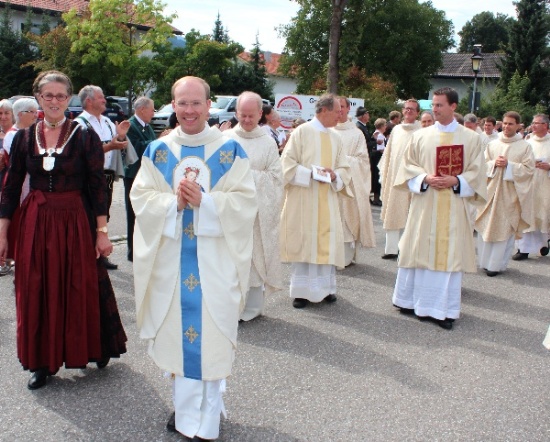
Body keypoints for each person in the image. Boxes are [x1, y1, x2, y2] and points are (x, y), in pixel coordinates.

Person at [130, 76, 257, 440]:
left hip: (215, 266)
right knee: (178, 337)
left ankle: (209, 418)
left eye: (196, 103)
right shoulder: (159, 151)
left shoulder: (230, 151)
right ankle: (188, 417)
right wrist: (174, 204)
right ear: (173, 105)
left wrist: (208, 203)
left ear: (208, 104)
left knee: (212, 339)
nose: (189, 111)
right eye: (182, 103)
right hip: (172, 266)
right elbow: (141, 199)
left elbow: (246, 202)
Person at [0, 70, 127, 390]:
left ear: (69, 99)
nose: (54, 101)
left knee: (78, 284)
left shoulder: (84, 136)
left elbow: (97, 186)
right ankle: (40, 361)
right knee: (35, 287)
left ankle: (93, 346)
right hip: (36, 221)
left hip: (74, 220)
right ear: (39, 98)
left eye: (60, 96)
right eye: (47, 96)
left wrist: (102, 232)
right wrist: (2, 231)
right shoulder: (25, 138)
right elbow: (11, 186)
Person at [391, 87, 486, 330]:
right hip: (426, 203)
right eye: (433, 105)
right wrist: (424, 178)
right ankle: (410, 301)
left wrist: (457, 181)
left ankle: (442, 310)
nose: (434, 109)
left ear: (453, 106)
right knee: (417, 248)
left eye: (439, 105)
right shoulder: (421, 136)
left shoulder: (471, 138)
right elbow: (407, 167)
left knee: (448, 255)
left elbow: (478, 172)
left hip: (453, 205)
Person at [280, 93, 352, 309]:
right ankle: (301, 292)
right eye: (338, 109)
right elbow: (286, 163)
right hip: (304, 197)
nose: (341, 113)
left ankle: (326, 289)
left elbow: (344, 168)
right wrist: (310, 174)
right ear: (323, 110)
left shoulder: (336, 137)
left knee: (325, 242)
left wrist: (334, 176)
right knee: (305, 242)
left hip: (327, 199)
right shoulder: (302, 132)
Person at [226, 91, 283, 320]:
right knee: (231, 261)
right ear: (236, 113)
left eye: (251, 116)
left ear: (260, 114)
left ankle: (252, 308)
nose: (247, 120)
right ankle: (230, 307)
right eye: (243, 115)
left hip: (257, 214)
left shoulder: (268, 142)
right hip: (230, 212)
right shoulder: (225, 140)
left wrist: (245, 175)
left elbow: (277, 179)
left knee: (253, 258)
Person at [76, 85, 135, 270]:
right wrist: (110, 146)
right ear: (89, 100)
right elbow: (84, 154)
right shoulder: (79, 124)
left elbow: (114, 145)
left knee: (104, 214)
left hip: (106, 175)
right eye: (101, 97)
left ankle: (100, 252)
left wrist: (121, 136)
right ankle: (87, 253)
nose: (104, 101)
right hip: (87, 177)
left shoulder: (108, 122)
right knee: (89, 215)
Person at [476, 111, 535, 276]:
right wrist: (494, 163)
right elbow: (482, 164)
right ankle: (484, 262)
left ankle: (496, 265)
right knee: (486, 225)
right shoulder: (493, 144)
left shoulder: (524, 146)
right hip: (491, 191)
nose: (507, 126)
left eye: (511, 124)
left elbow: (529, 169)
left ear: (518, 126)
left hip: (510, 195)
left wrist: (510, 166)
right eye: (505, 123)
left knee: (503, 228)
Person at [333, 96, 375, 265]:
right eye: (336, 107)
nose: (339, 110)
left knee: (346, 220)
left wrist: (341, 162)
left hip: (349, 184)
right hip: (329, 184)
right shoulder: (327, 130)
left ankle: (345, 257)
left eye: (342, 106)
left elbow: (363, 161)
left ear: (348, 108)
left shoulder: (356, 133)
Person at [378, 99, 421, 260]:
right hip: (395, 177)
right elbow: (388, 154)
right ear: (402, 111)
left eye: (412, 109)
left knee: (413, 214)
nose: (408, 111)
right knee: (393, 211)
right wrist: (385, 174)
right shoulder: (396, 130)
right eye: (406, 109)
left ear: (417, 113)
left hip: (412, 178)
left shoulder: (422, 130)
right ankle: (391, 249)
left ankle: (410, 248)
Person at [513, 114, 550, 260]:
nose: (533, 125)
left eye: (537, 123)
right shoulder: (527, 142)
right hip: (528, 183)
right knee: (526, 214)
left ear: (546, 125)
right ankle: (523, 249)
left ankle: (543, 243)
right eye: (533, 123)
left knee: (541, 215)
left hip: (545, 185)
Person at [124, 96, 156, 262]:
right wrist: (157, 142)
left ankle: (143, 247)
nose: (153, 112)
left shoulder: (147, 126)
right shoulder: (130, 125)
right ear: (142, 109)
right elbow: (136, 148)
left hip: (146, 175)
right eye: (152, 109)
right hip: (133, 174)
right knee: (133, 213)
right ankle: (132, 250)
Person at [0, 99, 14, 186]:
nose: (3, 116)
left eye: (6, 113)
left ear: (13, 114)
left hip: (13, 180)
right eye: (0, 113)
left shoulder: (18, 134)